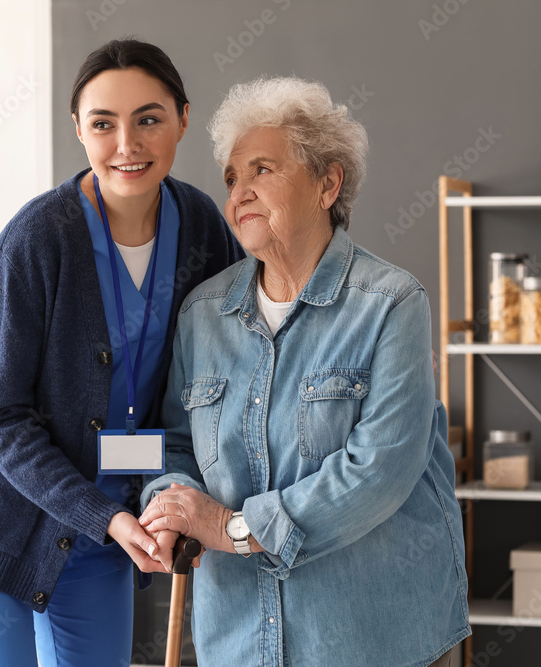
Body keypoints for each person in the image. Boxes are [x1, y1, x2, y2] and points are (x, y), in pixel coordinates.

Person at [0, 39, 243, 666]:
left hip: (103, 532)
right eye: (103, 124)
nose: (127, 145)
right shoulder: (36, 241)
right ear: (79, 131)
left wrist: (170, 496)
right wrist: (109, 517)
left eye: (149, 118)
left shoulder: (201, 228)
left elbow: (218, 379)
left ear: (183, 119)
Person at [138, 76, 471, 667]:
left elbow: (380, 470)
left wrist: (233, 527)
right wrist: (170, 501)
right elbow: (174, 445)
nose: (240, 192)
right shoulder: (202, 313)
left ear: (328, 183)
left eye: (263, 169)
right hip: (239, 640)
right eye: (232, 178)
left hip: (374, 639)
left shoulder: (392, 303)